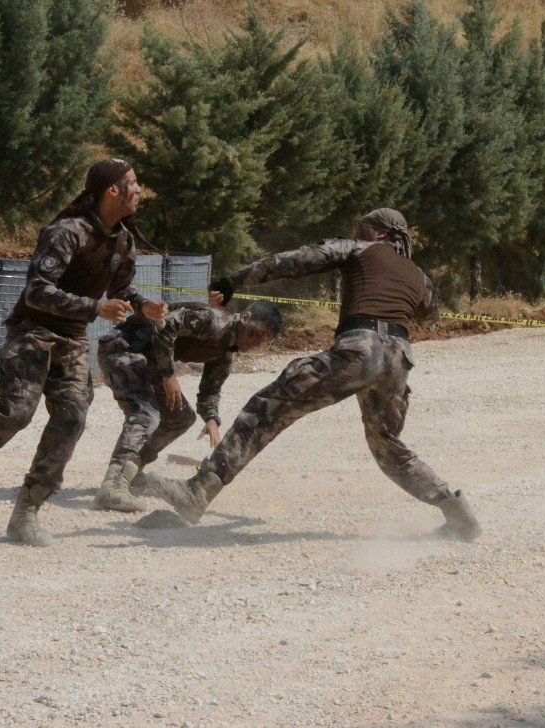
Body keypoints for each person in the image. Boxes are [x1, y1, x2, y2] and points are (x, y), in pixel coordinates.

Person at [141, 208, 481, 541]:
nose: (358, 235)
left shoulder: (358, 249)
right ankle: (456, 510)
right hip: (398, 360)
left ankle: (198, 492)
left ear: (381, 234)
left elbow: (293, 261)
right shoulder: (418, 275)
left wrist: (234, 281)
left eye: (364, 230)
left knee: (267, 407)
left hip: (359, 347)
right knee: (388, 446)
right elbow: (430, 314)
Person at [0, 158, 168, 547]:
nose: (140, 191)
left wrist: (143, 305)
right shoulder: (67, 232)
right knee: (16, 412)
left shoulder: (122, 240)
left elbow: (120, 288)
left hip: (73, 340)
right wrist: (94, 308)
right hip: (33, 331)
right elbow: (37, 291)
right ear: (112, 190)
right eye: (134, 184)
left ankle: (26, 513)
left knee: (72, 416)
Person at [92, 299, 284, 511]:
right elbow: (164, 325)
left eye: (261, 340)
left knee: (181, 417)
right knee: (146, 413)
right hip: (121, 349)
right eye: (254, 334)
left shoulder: (227, 353)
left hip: (148, 360)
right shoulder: (215, 321)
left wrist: (211, 418)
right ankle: (112, 485)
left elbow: (210, 390)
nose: (254, 342)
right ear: (244, 319)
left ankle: (133, 469)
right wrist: (168, 374)